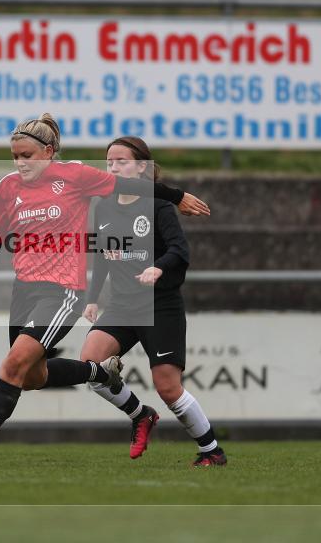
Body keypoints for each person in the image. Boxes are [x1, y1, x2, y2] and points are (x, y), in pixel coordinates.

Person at [0, 114, 210, 469]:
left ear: (48, 152)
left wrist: (177, 196)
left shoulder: (74, 176)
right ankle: (105, 379)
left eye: (27, 155)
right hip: (24, 291)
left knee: (13, 365)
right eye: (15, 156)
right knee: (31, 377)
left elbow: (130, 186)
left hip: (62, 291)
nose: (20, 163)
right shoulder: (7, 187)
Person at [81, 136, 226, 467]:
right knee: (90, 364)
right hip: (122, 305)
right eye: (109, 162)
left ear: (141, 167)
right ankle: (140, 414)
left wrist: (158, 267)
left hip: (160, 305)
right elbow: (102, 257)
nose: (113, 167)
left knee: (168, 388)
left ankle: (212, 451)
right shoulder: (103, 206)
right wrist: (92, 299)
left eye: (121, 161)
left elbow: (179, 251)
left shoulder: (159, 206)